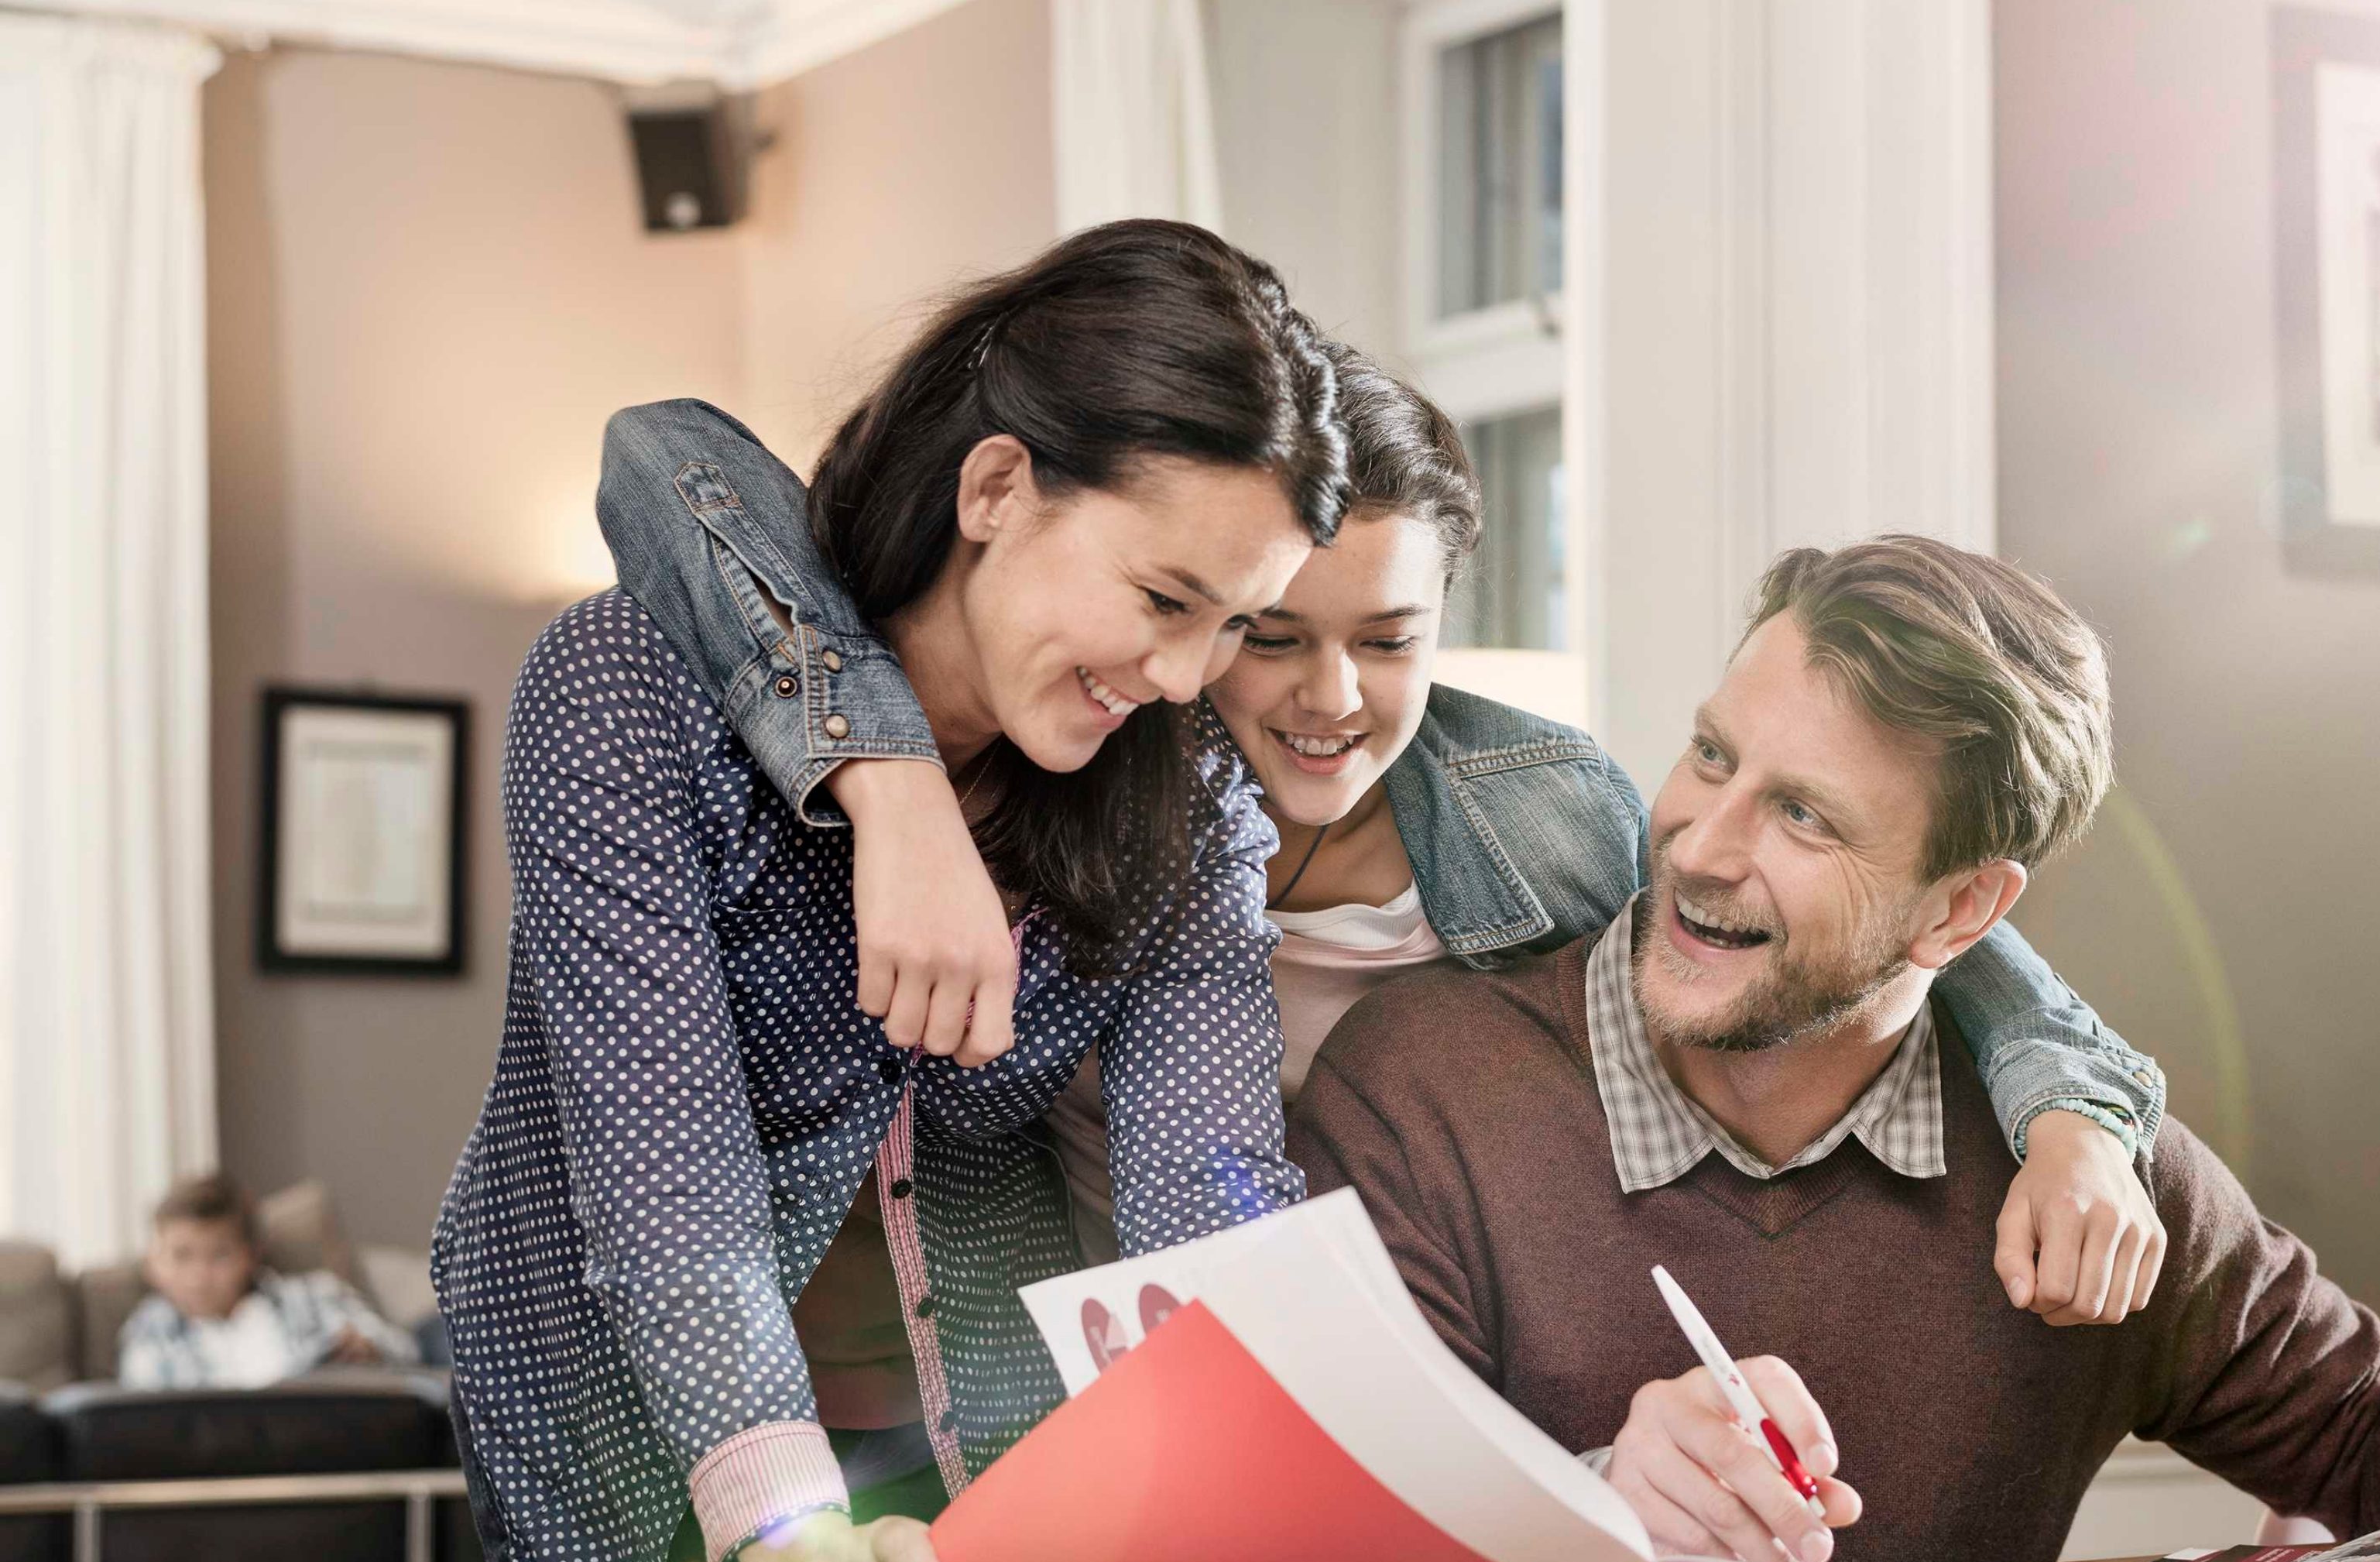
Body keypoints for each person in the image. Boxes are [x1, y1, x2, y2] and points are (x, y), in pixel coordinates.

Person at [603, 343, 2176, 1323]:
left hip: (1454, 1379)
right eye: (1271, 636)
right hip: (1063, 1369)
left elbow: (1873, 919)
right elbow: (673, 463)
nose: (1333, 703)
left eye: (1396, 638)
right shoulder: (1057, 762)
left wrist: (2077, 1119)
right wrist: (895, 794)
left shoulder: (1542, 810)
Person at [434, 221, 1349, 1562]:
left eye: (1234, 624)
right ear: (997, 487)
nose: (1185, 678)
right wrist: (792, 1539)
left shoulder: (1188, 802)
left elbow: (1211, 1189)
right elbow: (658, 1167)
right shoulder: (626, 690)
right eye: (1163, 599)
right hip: (626, 1439)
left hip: (984, 1436)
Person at [1290, 536, 2380, 1562]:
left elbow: (2375, 1422)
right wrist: (1599, 1498)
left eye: (1805, 816)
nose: (1700, 844)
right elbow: (1334, 1556)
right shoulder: (1420, 1098)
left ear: (1960, 912)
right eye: (1714, 757)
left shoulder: (2076, 1178)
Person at [118, 1173, 415, 1390]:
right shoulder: (150, 1332)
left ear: (251, 1255)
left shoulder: (314, 1297)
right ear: (153, 1264)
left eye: (220, 1256)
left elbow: (406, 1354)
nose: (200, 1276)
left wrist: (371, 1349)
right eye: (182, 1256)